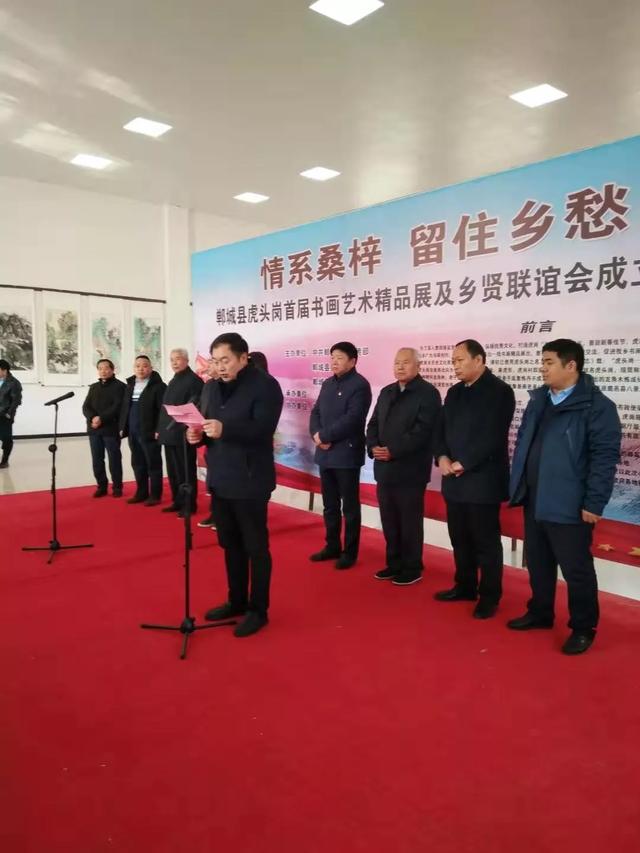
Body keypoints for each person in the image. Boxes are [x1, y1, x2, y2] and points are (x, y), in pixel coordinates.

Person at [508, 339, 621, 655]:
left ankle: (583, 627)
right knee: (539, 562)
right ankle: (541, 612)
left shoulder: (597, 407)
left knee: (576, 570)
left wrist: (594, 503)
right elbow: (524, 442)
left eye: (549, 362)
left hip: (570, 504)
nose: (542, 368)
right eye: (542, 361)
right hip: (535, 498)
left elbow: (604, 459)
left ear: (571, 366)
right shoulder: (539, 400)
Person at [187, 332, 283, 638]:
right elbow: (208, 426)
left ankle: (258, 609)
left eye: (225, 360)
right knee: (230, 544)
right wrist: (196, 436)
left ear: (244, 358)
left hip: (250, 479)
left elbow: (263, 429)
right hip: (221, 477)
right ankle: (237, 600)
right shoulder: (212, 387)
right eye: (215, 361)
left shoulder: (265, 386)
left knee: (255, 547)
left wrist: (225, 429)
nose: (220, 366)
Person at [433, 340, 515, 618]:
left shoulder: (500, 391)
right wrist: (442, 457)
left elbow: (493, 435)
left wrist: (465, 462)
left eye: (460, 360)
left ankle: (489, 596)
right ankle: (464, 586)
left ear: (478, 360)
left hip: (483, 481)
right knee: (459, 538)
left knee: (485, 542)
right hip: (453, 479)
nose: (455, 366)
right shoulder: (454, 392)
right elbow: (440, 429)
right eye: (453, 361)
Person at [366, 348, 441, 585]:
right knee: (389, 519)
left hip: (410, 470)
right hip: (384, 469)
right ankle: (394, 563)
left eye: (406, 362)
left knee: (409, 521)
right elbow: (373, 423)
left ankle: (412, 567)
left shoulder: (428, 393)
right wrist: (373, 447)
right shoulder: (387, 391)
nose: (400, 366)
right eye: (397, 362)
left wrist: (394, 450)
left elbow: (423, 431)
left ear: (418, 366)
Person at [308, 342, 372, 569]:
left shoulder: (360, 385)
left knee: (350, 508)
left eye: (340, 358)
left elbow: (353, 419)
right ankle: (332, 545)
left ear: (353, 361)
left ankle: (350, 552)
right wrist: (316, 434)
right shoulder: (327, 383)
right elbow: (316, 412)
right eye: (332, 357)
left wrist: (325, 436)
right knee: (330, 505)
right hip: (325, 454)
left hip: (346, 454)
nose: (334, 362)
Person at [157, 348, 204, 516]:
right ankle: (177, 501)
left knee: (185, 471)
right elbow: (165, 409)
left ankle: (189, 505)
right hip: (169, 433)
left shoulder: (194, 380)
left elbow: (196, 405)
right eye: (172, 360)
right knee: (173, 471)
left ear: (186, 360)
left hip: (183, 434)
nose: (174, 363)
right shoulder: (174, 380)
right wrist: (160, 430)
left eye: (178, 359)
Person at [119, 355, 166, 506]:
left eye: (145, 366)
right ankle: (141, 492)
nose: (141, 369)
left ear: (151, 368)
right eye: (137, 366)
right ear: (134, 368)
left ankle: (155, 495)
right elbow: (125, 408)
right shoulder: (130, 385)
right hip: (133, 432)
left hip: (149, 432)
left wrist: (159, 429)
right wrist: (122, 427)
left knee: (153, 464)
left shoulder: (159, 386)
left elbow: (163, 411)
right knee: (138, 463)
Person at [82, 359, 127, 497]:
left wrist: (101, 418)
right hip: (94, 429)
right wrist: (92, 418)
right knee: (97, 459)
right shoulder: (94, 387)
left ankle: (117, 487)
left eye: (106, 368)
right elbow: (86, 406)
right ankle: (101, 486)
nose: (103, 371)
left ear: (113, 370)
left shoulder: (120, 386)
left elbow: (117, 406)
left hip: (111, 428)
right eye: (100, 368)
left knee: (114, 459)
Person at [196, 346, 220, 530]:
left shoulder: (227, 387)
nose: (208, 365)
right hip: (210, 439)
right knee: (213, 480)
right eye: (210, 361)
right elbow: (202, 408)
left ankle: (221, 516)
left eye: (212, 362)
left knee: (222, 481)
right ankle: (215, 513)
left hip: (223, 436)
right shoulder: (209, 385)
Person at [0, 359, 22, 469]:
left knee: (6, 439)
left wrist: (9, 414)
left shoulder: (14, 383)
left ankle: (4, 461)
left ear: (4, 370)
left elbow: (16, 401)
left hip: (4, 415)